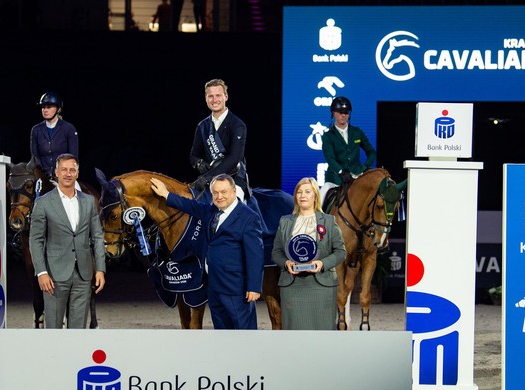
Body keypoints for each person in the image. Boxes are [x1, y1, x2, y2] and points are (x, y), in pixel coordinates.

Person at [150, 174, 264, 329]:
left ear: (234, 192)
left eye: (223, 192)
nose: (219, 196)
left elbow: (255, 255)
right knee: (221, 333)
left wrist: (254, 286)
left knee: (244, 333)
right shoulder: (211, 211)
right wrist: (166, 194)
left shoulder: (248, 217)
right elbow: (189, 205)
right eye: (215, 193)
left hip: (236, 288)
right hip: (214, 287)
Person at [29, 153, 106, 329]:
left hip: (83, 275)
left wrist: (100, 269)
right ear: (56, 172)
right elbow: (36, 239)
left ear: (77, 173)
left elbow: (97, 237)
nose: (68, 173)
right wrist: (41, 272)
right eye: (64, 169)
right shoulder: (43, 203)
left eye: (72, 170)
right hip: (54, 276)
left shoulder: (88, 202)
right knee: (54, 329)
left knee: (78, 331)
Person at [271, 177, 346, 330]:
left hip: (322, 287)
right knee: (294, 333)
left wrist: (322, 263)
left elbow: (341, 252)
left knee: (322, 333)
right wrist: (286, 263)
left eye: (307, 191)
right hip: (292, 286)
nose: (302, 195)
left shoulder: (329, 221)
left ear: (315, 196)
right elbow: (276, 252)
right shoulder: (285, 222)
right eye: (299, 192)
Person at [190, 79, 251, 201]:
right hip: (209, 180)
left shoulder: (237, 125)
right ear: (206, 99)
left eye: (218, 95)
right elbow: (193, 155)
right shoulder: (202, 126)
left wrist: (207, 177)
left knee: (235, 210)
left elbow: (234, 159)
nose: (214, 100)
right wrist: (198, 163)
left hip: (234, 178)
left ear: (226, 97)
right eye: (210, 96)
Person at [320, 96, 376, 206]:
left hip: (357, 176)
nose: (343, 115)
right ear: (333, 113)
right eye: (340, 112)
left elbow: (371, 152)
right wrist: (341, 171)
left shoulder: (357, 132)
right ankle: (317, 221)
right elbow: (330, 159)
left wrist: (366, 167)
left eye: (346, 112)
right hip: (335, 179)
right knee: (321, 196)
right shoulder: (328, 136)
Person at [30, 92, 79, 181]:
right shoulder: (36, 130)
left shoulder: (69, 128)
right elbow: (35, 156)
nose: (45, 110)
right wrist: (42, 173)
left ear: (58, 109)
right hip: (43, 176)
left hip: (64, 175)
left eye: (49, 107)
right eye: (43, 107)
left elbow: (73, 155)